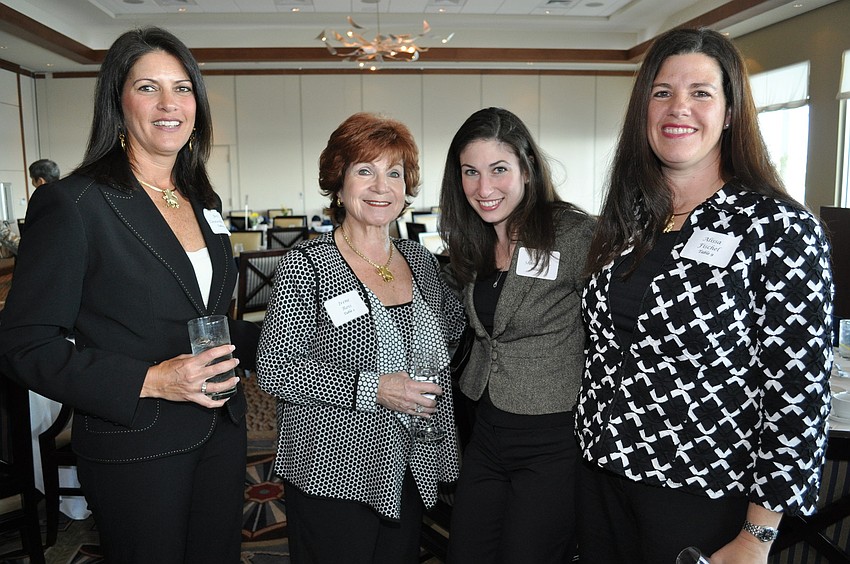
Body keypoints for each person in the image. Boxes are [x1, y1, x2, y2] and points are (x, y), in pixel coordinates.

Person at [0, 27, 259, 564]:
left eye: (183, 88)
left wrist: (304, 336)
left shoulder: (200, 197)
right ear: (117, 99)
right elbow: (25, 345)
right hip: (136, 442)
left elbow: (204, 315)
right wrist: (152, 380)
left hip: (222, 430)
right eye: (148, 88)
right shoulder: (75, 203)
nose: (170, 104)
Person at [574, 27, 833, 564]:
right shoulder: (630, 222)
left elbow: (798, 393)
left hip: (700, 496)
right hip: (601, 483)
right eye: (662, 91)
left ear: (732, 111)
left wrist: (757, 537)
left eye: (701, 92)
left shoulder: (776, 227)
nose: (678, 108)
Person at [256, 112, 466, 564]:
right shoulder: (308, 264)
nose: (381, 186)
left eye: (394, 173)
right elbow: (274, 370)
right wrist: (374, 387)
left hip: (410, 460)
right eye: (365, 170)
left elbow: (456, 335)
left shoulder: (421, 261)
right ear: (338, 181)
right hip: (332, 469)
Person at [438, 107, 594, 563]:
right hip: (486, 430)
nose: (484, 189)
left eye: (499, 169)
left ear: (526, 167)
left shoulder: (576, 234)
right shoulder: (475, 239)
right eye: (471, 172)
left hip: (552, 438)